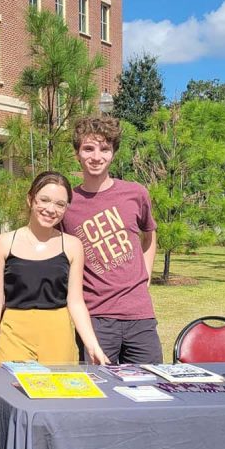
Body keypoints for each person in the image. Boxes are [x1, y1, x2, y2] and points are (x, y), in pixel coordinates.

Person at [60, 115, 163, 363]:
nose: (96, 157)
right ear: (77, 153)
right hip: (96, 317)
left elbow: (149, 234)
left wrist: (146, 275)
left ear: (113, 153)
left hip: (140, 315)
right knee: (100, 392)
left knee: (152, 388)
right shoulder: (67, 203)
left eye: (105, 149)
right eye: (88, 148)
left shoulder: (135, 193)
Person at [0, 172, 110, 366]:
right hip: (14, 334)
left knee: (61, 394)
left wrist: (92, 345)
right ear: (30, 199)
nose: (51, 209)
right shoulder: (4, 243)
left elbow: (75, 301)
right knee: (15, 393)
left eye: (60, 204)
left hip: (59, 335)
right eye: (44, 200)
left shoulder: (73, 246)